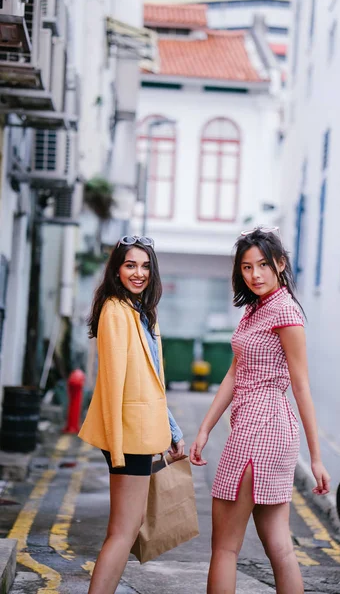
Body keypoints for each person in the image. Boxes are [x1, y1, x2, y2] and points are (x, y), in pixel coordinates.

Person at [190, 227, 330, 594]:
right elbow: (235, 373)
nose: (255, 275)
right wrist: (205, 428)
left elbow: (301, 386)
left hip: (261, 427)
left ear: (280, 265)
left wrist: (315, 458)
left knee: (224, 547)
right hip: (261, 426)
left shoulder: (284, 311)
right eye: (247, 267)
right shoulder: (256, 308)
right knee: (278, 544)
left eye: (264, 265)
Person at [79, 235, 185, 594]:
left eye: (145, 266)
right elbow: (110, 384)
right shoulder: (115, 311)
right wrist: (118, 448)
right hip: (127, 436)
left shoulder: (141, 312)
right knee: (123, 531)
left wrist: (172, 430)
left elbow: (153, 380)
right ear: (117, 270)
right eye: (130, 265)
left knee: (128, 527)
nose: (138, 273)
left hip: (140, 433)